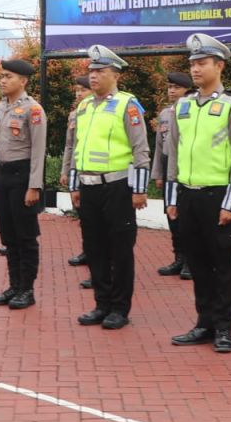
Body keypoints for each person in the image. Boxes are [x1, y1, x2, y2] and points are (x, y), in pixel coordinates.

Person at [166, 34, 231, 352]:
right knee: (198, 263)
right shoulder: (183, 105)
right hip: (187, 196)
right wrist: (173, 198)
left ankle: (224, 328)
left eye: (202, 63)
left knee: (222, 265)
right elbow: (173, 152)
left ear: (219, 65)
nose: (196, 69)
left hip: (218, 197)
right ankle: (204, 323)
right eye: (192, 63)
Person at [70, 47, 149, 329]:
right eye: (91, 72)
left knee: (120, 250)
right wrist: (74, 184)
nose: (93, 76)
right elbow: (76, 148)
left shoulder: (128, 105)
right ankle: (101, 304)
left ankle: (119, 308)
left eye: (100, 71)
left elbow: (141, 149)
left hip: (117, 187)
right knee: (95, 248)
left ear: (115, 74)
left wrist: (140, 190)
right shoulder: (84, 106)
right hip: (89, 186)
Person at [0, 60, 47, 309]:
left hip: (22, 177)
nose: (2, 81)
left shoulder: (33, 110)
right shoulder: (1, 109)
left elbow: (38, 150)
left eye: (8, 76)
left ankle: (27, 289)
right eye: (1, 76)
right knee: (8, 235)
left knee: (25, 235)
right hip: (3, 177)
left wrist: (34, 186)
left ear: (23, 81)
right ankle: (14, 285)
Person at [154, 72, 193, 279]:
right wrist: (158, 173)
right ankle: (178, 258)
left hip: (186, 166)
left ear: (186, 89)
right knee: (172, 215)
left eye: (176, 88)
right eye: (169, 87)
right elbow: (160, 146)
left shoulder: (192, 110)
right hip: (168, 165)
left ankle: (190, 261)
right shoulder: (165, 114)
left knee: (186, 216)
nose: (171, 91)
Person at [60, 75, 93, 270]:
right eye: (77, 90)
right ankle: (87, 250)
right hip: (76, 169)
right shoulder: (74, 115)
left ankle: (98, 253)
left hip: (94, 171)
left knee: (94, 216)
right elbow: (69, 145)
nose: (79, 94)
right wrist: (65, 170)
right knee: (83, 214)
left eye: (83, 90)